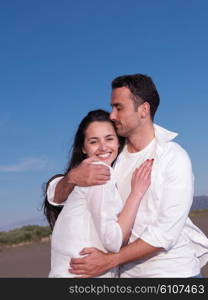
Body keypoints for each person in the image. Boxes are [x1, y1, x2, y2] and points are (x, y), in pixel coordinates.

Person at [47, 74, 208, 278]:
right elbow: (55, 195)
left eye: (118, 107)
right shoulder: (112, 156)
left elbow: (165, 233)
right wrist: (72, 177)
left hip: (173, 273)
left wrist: (109, 261)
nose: (112, 115)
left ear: (143, 110)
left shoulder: (172, 157)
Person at [43, 109, 153, 278]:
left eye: (109, 139)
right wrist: (136, 194)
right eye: (94, 141)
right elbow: (114, 241)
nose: (103, 147)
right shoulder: (99, 173)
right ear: (84, 148)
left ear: (118, 143)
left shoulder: (98, 174)